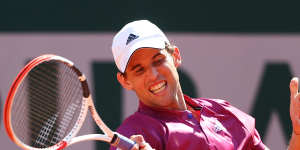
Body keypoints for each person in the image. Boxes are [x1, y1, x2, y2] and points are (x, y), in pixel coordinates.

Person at [109, 20, 300, 150]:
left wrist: (298, 133)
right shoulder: (133, 135)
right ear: (125, 81)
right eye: (139, 70)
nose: (153, 75)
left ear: (175, 56)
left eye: (158, 60)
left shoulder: (225, 113)